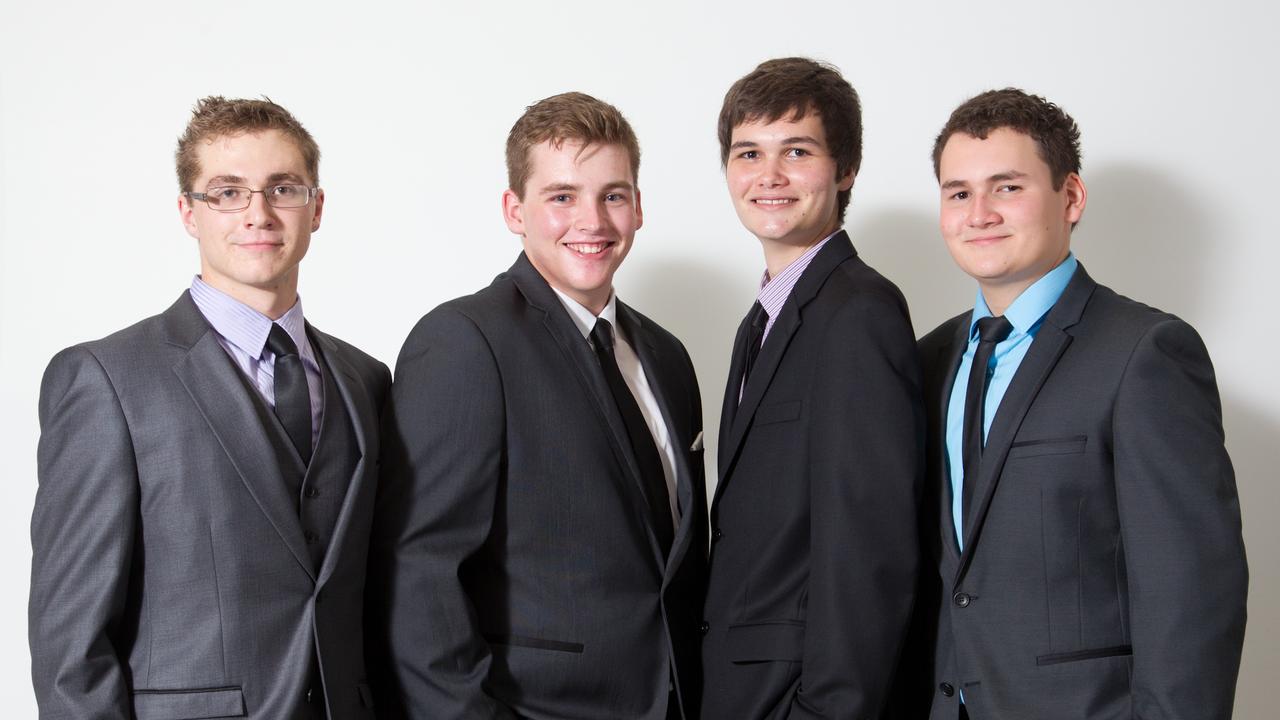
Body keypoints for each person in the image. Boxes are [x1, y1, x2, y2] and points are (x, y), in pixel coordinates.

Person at [29, 96, 391, 719]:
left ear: (317, 207)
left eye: (283, 188)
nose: (258, 213)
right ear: (188, 214)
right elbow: (71, 647)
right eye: (227, 192)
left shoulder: (366, 379)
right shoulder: (106, 378)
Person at [369, 91, 706, 719]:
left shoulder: (667, 356)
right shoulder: (465, 341)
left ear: (638, 206)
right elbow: (418, 575)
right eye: (562, 197)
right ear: (514, 211)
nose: (593, 220)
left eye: (613, 194)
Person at [914, 87, 1248, 719]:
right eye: (958, 193)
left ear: (1071, 197)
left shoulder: (1145, 354)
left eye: (1007, 187)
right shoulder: (926, 361)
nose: (979, 212)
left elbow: (1192, 594)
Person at [700, 57, 924, 719]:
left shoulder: (859, 314)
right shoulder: (762, 320)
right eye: (748, 153)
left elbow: (872, 549)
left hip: (799, 700)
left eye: (796, 151)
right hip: (741, 691)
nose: (768, 177)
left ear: (845, 167)